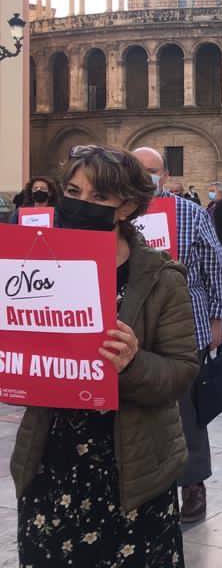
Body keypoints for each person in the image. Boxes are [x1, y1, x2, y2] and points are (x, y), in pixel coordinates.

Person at [12, 144, 198, 566]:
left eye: (98, 197)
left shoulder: (160, 278)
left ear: (126, 207)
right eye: (73, 192)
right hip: (53, 460)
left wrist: (133, 362)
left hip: (131, 467)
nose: (80, 205)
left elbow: (182, 370)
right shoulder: (35, 263)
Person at [133, 147, 222, 523]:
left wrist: (217, 318)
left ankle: (192, 484)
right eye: (138, 170)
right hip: (134, 328)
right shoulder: (118, 212)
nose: (145, 177)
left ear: (166, 174)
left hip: (186, 324)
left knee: (188, 411)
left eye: (152, 171)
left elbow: (214, 265)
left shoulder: (189, 212)